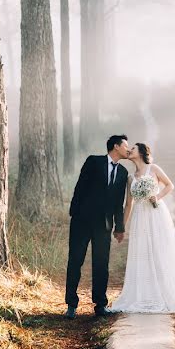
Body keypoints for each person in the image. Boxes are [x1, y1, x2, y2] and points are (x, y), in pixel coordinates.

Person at [111, 142, 175, 314]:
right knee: (141, 253)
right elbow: (128, 204)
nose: (129, 150)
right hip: (139, 218)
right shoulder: (131, 177)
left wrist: (156, 197)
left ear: (141, 152)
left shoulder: (153, 169)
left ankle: (164, 292)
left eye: (133, 149)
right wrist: (122, 228)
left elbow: (170, 185)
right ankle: (143, 294)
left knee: (159, 249)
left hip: (156, 215)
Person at [65, 134, 130, 319]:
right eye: (126, 146)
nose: (129, 149)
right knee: (75, 260)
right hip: (82, 221)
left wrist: (119, 228)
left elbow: (119, 203)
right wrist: (74, 213)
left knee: (101, 265)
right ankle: (71, 304)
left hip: (104, 226)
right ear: (116, 146)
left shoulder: (124, 173)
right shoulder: (94, 162)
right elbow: (80, 187)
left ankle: (100, 305)